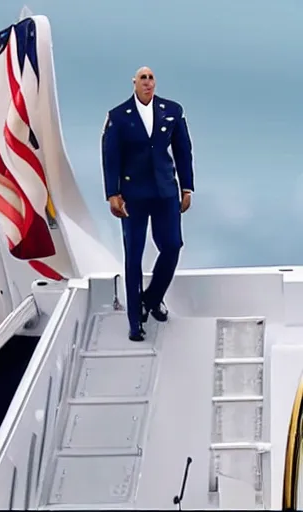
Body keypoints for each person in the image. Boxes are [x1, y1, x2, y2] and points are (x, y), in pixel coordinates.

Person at [101, 66, 194, 341]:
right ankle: (134, 321)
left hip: (165, 191)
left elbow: (183, 150)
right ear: (134, 82)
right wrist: (113, 193)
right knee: (134, 255)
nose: (148, 82)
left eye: (151, 77)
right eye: (143, 78)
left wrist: (187, 187)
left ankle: (151, 298)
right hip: (134, 194)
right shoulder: (119, 117)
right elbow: (110, 156)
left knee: (172, 245)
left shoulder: (172, 111)